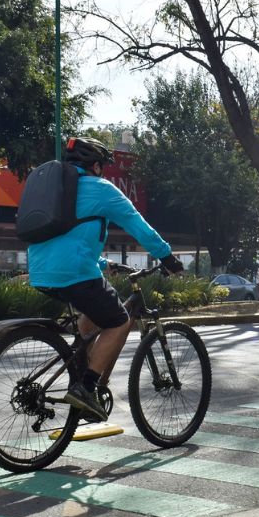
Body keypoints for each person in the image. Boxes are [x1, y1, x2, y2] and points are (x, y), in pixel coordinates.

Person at [28, 137, 183, 422]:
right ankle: (86, 388)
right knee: (120, 319)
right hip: (75, 274)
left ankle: (82, 374)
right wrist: (169, 259)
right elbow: (140, 227)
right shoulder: (101, 189)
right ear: (96, 166)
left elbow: (65, 237)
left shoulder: (57, 192)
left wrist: (102, 263)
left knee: (94, 314)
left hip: (41, 272)